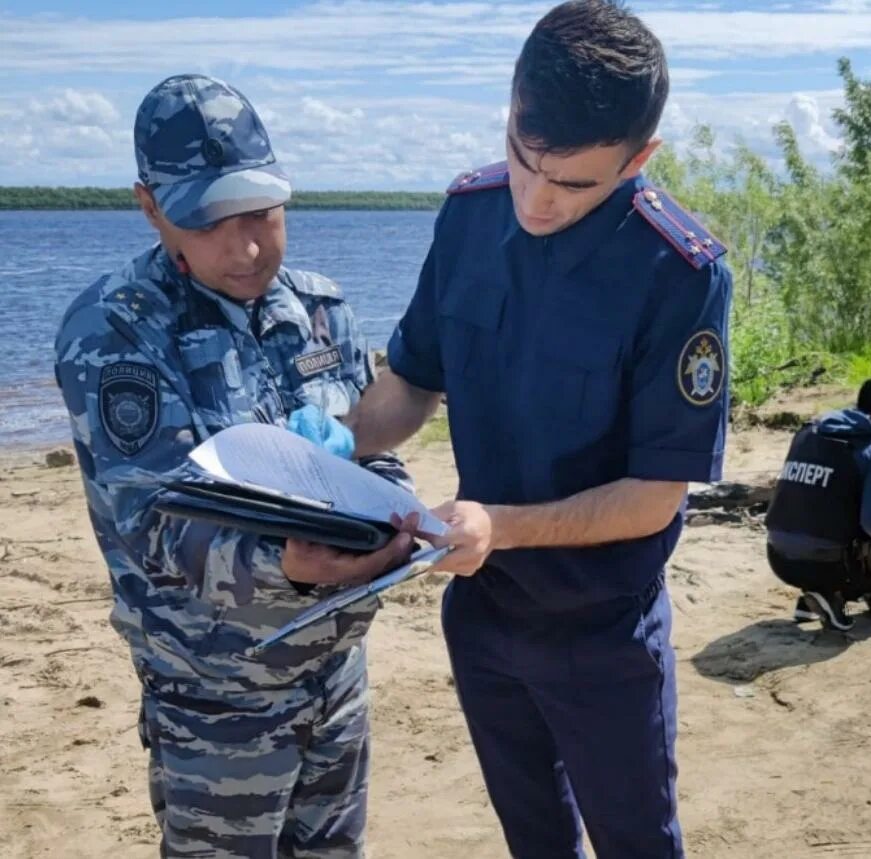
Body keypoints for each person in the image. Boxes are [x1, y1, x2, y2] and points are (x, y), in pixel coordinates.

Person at [346, 2, 731, 854]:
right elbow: (413, 380)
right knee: (535, 842)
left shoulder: (679, 272)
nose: (537, 198)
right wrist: (333, 448)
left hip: (602, 633)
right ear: (512, 106)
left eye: (574, 183)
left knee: (638, 841)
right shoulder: (470, 215)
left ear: (642, 159)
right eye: (524, 161)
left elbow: (656, 496)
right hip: (481, 617)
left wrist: (502, 528)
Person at [54, 74, 415, 857]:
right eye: (209, 221)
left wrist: (406, 517)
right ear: (151, 208)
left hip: (336, 679)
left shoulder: (321, 308)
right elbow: (153, 521)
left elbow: (361, 449)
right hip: (217, 705)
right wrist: (291, 566)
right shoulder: (115, 330)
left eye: (261, 213)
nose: (246, 247)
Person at [764, 376, 871, 632]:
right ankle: (831, 593)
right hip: (824, 565)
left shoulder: (810, 429)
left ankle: (814, 594)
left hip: (778, 559)